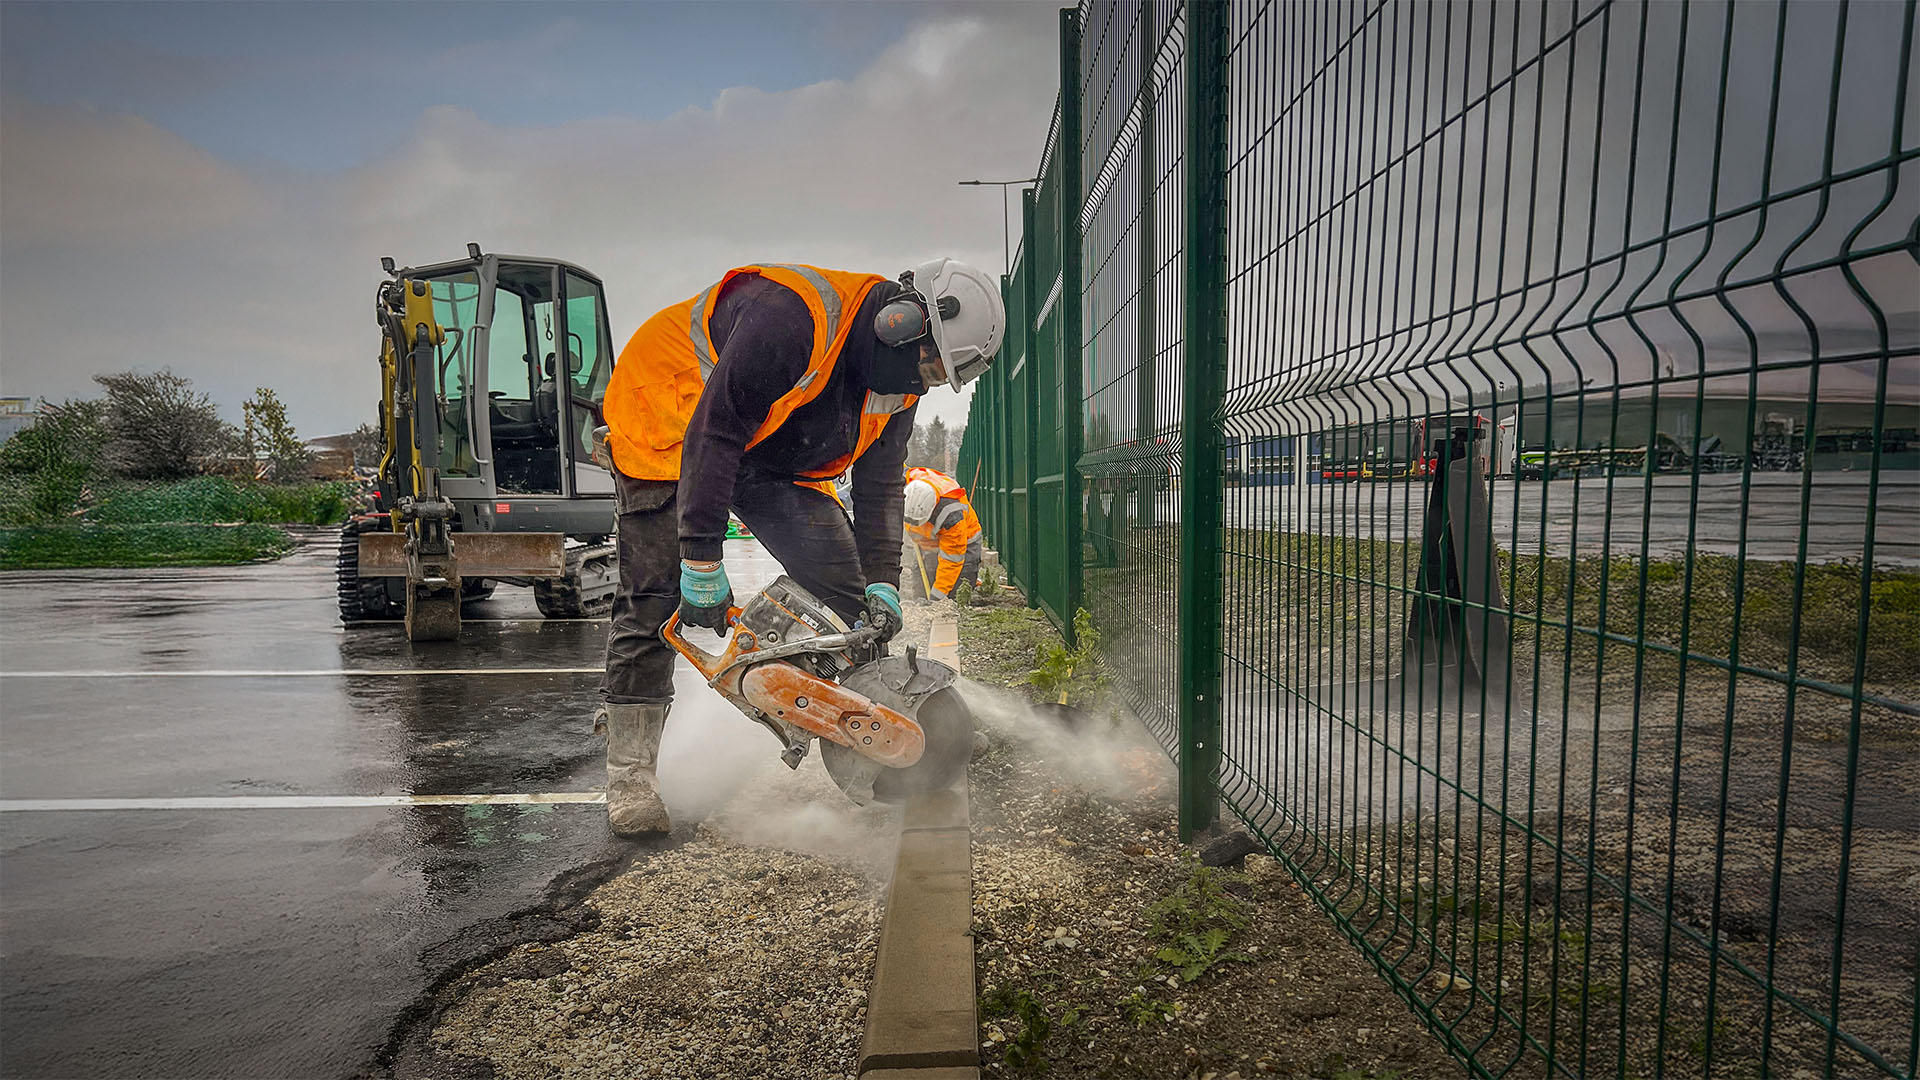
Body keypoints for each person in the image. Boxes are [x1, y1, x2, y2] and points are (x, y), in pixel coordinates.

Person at [594, 259, 1005, 835]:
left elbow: (882, 482)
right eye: (931, 366)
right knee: (656, 598)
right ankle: (630, 773)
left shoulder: (898, 388)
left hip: (767, 450)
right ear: (900, 322)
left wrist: (881, 580)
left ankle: (899, 722)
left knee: (855, 598)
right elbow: (714, 435)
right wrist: (702, 560)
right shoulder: (791, 317)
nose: (925, 383)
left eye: (940, 379)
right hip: (672, 415)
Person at [901, 466, 983, 602]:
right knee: (921, 586)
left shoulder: (952, 516)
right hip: (927, 541)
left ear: (932, 510)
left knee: (957, 591)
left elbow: (951, 560)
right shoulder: (906, 482)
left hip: (964, 542)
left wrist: (936, 600)